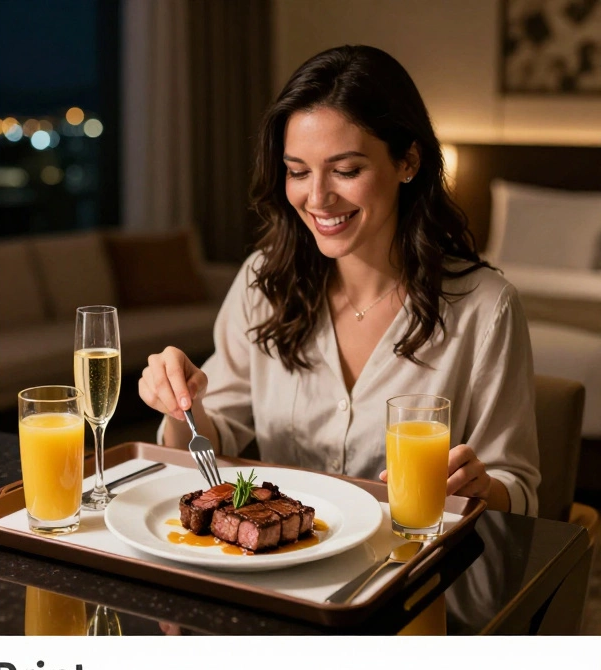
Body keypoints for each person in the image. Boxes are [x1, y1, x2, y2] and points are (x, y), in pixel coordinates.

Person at [139, 45, 540, 515]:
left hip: (406, 570)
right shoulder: (262, 284)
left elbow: (520, 488)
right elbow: (212, 440)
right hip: (274, 566)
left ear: (408, 161)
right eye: (297, 172)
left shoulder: (485, 308)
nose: (318, 198)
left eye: (346, 170)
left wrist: (480, 486)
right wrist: (180, 403)